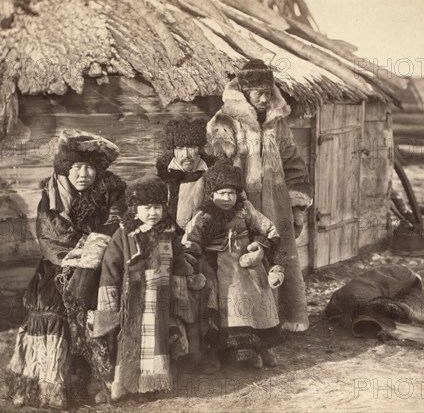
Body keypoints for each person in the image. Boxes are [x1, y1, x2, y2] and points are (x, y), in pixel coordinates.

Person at [8, 129, 127, 409]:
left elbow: (115, 224)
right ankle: (49, 381)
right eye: (76, 167)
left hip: (101, 265)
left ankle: (100, 379)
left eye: (89, 168)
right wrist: (78, 254)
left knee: (97, 311)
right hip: (59, 267)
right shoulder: (52, 195)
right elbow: (50, 236)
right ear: (66, 169)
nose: (83, 174)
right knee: (51, 309)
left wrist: (95, 251)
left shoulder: (112, 192)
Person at [206, 59, 313, 332]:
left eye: (269, 92)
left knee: (280, 257)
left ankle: (284, 320)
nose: (265, 99)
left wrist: (298, 206)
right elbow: (220, 168)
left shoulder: (278, 123)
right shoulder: (224, 121)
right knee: (247, 262)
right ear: (244, 90)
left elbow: (294, 165)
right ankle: (248, 328)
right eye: (259, 93)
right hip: (243, 206)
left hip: (277, 207)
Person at [92, 176, 195, 401]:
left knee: (159, 339)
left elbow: (178, 265)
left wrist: (180, 297)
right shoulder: (123, 235)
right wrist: (109, 307)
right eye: (147, 208)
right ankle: (126, 384)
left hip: (161, 297)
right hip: (133, 299)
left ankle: (154, 382)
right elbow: (111, 267)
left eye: (157, 207)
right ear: (134, 209)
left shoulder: (169, 234)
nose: (153, 213)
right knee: (130, 340)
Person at [182, 160, 286, 370]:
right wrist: (192, 269)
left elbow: (268, 229)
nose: (227, 198)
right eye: (221, 193)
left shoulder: (246, 209)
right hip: (217, 267)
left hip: (248, 268)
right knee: (218, 305)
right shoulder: (204, 217)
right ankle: (214, 354)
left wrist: (261, 246)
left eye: (231, 193)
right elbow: (190, 242)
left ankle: (261, 349)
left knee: (258, 298)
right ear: (211, 195)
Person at [155, 116, 216, 367]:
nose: (186, 154)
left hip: (207, 241)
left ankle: (208, 350)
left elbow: (220, 210)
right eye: (180, 148)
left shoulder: (212, 173)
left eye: (191, 147)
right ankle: (176, 351)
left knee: (208, 283)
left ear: (200, 147)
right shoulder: (165, 175)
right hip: (172, 240)